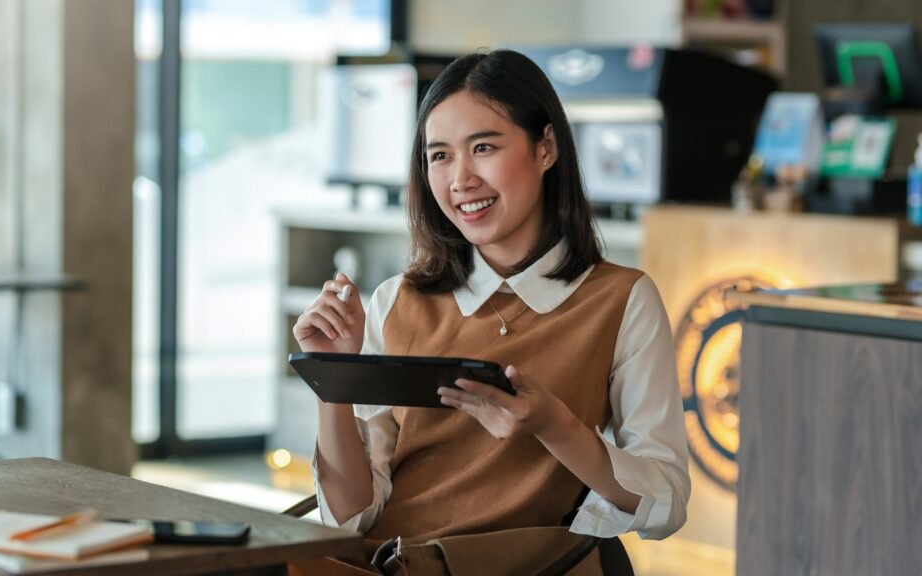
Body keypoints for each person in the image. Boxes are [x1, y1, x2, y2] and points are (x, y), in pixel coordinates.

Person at [291, 49, 690, 575]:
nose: (460, 179)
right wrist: (334, 381)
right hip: (391, 564)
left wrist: (555, 425)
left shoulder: (620, 301)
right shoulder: (397, 301)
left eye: (483, 147)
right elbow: (350, 517)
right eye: (440, 155)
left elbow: (666, 501)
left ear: (545, 148)